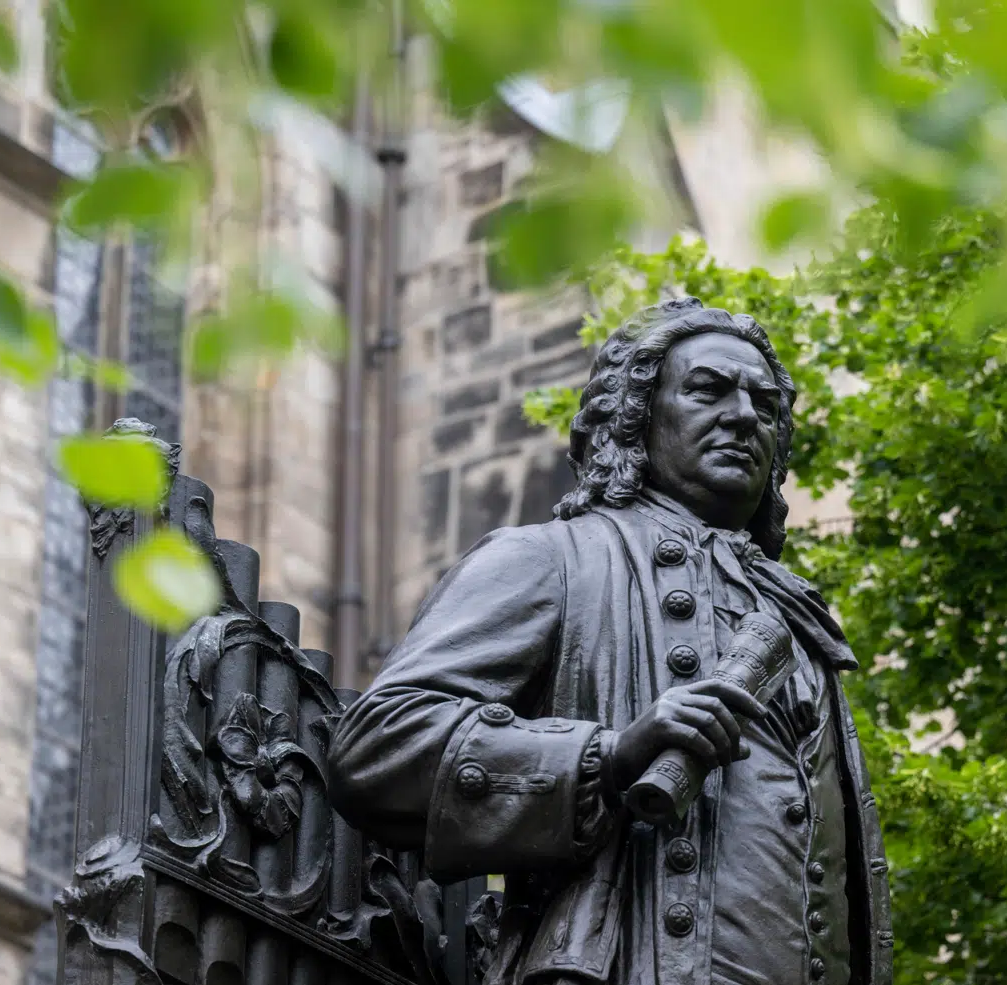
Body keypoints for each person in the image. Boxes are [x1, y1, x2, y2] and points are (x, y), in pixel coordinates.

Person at [328, 297, 892, 985]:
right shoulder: (553, 559)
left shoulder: (800, 619)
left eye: (766, 405)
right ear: (636, 415)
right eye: (710, 390)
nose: (746, 415)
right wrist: (606, 757)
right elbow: (376, 747)